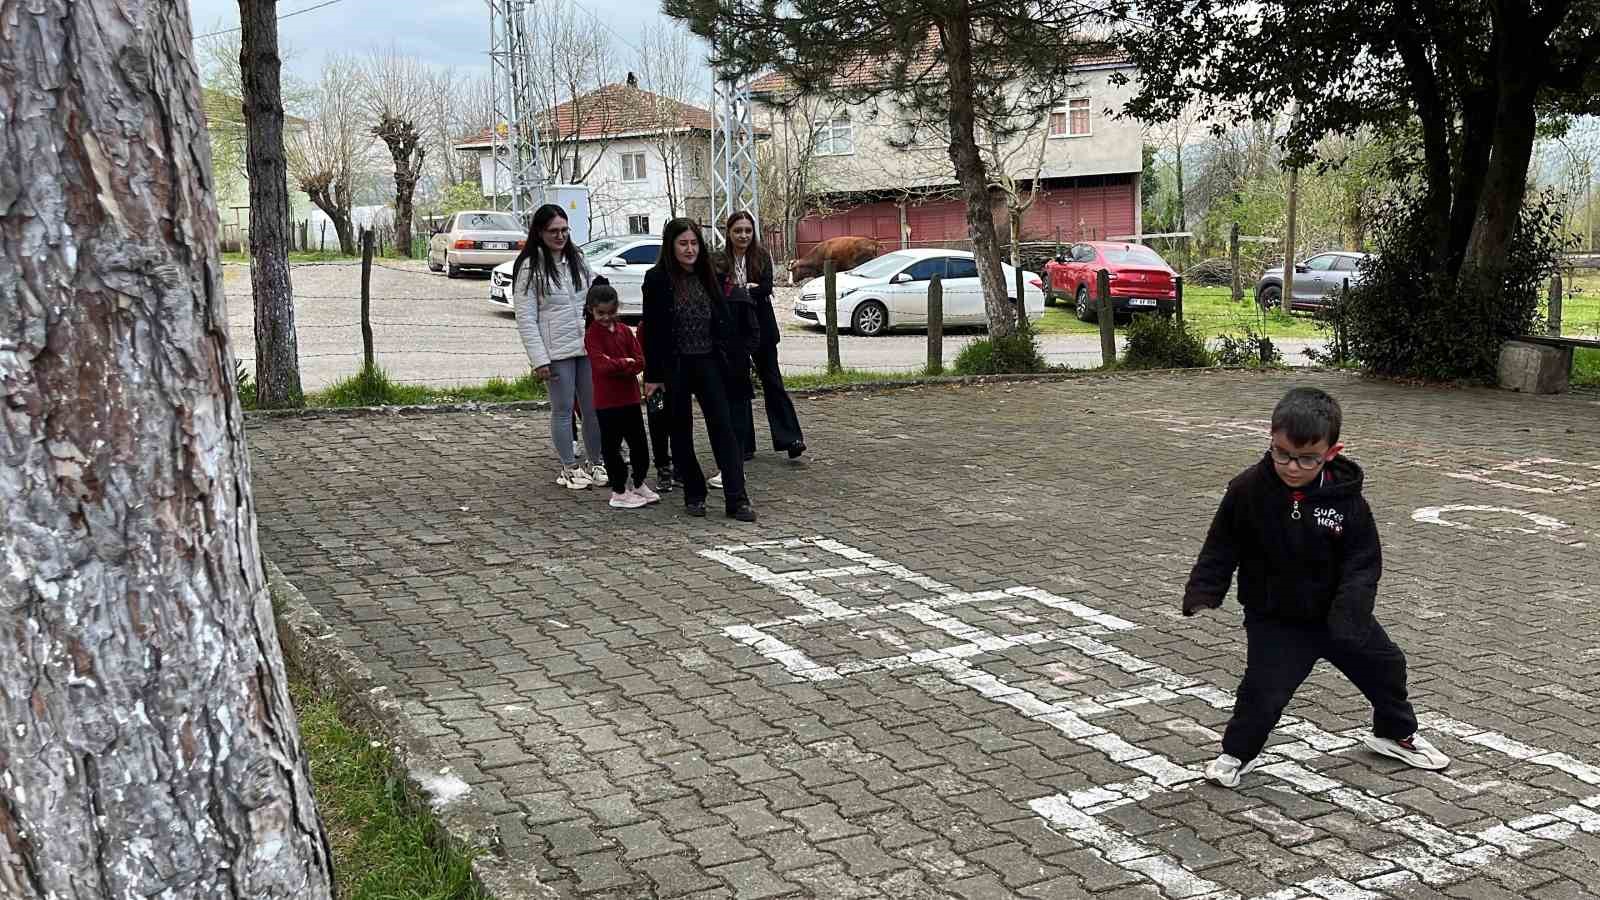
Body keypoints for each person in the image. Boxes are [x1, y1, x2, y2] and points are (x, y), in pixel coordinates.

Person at [1183, 387, 1450, 787]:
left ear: (1331, 451)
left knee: (1386, 665)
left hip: (1338, 616)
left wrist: (1350, 614)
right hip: (1276, 619)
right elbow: (1222, 544)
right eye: (1282, 454)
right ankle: (1237, 753)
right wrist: (1204, 590)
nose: (1292, 467)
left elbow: (1363, 563)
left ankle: (1394, 734)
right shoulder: (1247, 490)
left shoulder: (1347, 501)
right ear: (1271, 440)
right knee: (1263, 691)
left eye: (1307, 458)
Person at [641, 218, 757, 522]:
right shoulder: (656, 279)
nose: (690, 249)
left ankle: (737, 498)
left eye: (694, 243)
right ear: (671, 246)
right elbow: (651, 330)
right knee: (679, 432)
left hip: (710, 361)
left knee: (724, 429)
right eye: (683, 243)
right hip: (675, 364)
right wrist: (653, 376)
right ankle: (694, 493)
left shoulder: (712, 274)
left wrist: (737, 361)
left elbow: (725, 320)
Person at [512, 203, 604, 490]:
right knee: (563, 410)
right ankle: (569, 466)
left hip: (586, 348)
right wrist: (540, 359)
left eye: (564, 230)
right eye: (554, 231)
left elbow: (594, 297)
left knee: (593, 408)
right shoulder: (530, 266)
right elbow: (526, 317)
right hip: (556, 352)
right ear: (540, 232)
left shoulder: (577, 258)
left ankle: (597, 461)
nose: (560, 236)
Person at [718, 211, 806, 460]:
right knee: (739, 386)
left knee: (773, 383)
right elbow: (720, 289)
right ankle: (744, 444)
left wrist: (740, 290)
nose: (743, 235)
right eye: (738, 231)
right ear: (729, 233)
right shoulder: (720, 259)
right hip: (734, 332)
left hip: (763, 329)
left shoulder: (762, 255)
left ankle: (791, 438)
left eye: (747, 230)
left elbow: (766, 287)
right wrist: (747, 290)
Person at [583, 278, 661, 510]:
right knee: (612, 447)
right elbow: (600, 365)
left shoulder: (625, 330)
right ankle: (618, 490)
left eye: (611, 312)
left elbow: (640, 361)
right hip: (607, 402)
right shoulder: (592, 335)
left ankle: (638, 482)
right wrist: (624, 363)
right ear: (591, 311)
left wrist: (619, 363)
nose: (606, 317)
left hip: (629, 398)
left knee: (639, 445)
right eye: (601, 313)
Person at [635, 318, 675, 493]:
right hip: (655, 386)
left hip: (677, 381)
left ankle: (680, 465)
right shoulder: (646, 326)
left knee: (678, 423)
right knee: (658, 425)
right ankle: (663, 467)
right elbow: (643, 354)